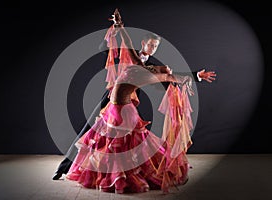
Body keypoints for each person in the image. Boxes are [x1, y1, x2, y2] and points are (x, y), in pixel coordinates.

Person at [52, 9, 216, 180]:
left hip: (128, 105)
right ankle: (63, 168)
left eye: (156, 46)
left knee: (132, 141)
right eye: (151, 44)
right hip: (109, 101)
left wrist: (195, 76)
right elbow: (104, 49)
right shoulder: (126, 54)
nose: (153, 49)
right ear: (144, 43)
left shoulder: (150, 65)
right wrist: (116, 28)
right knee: (88, 134)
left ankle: (125, 173)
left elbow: (169, 75)